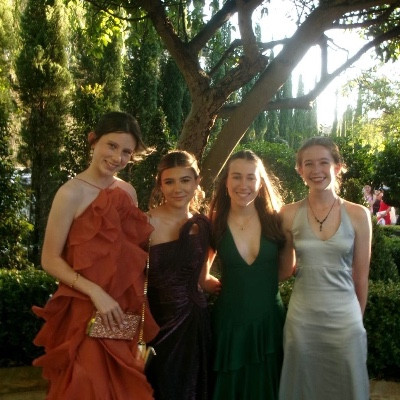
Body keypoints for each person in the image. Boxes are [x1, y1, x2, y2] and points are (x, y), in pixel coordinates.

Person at [32, 111, 159, 400]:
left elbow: (132, 259)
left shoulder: (128, 193)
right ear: (93, 140)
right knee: (87, 387)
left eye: (126, 151)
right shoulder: (70, 193)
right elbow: (49, 259)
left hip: (121, 313)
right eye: (111, 146)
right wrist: (96, 293)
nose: (117, 157)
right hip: (85, 311)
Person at [278, 136, 371, 400]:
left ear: (337, 167)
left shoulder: (359, 215)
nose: (316, 170)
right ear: (300, 169)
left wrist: (356, 320)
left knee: (347, 387)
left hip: (345, 320)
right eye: (308, 163)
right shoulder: (287, 214)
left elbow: (361, 277)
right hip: (302, 321)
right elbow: (284, 269)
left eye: (323, 162)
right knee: (302, 387)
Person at [208, 150, 286, 400]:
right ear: (226, 182)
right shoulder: (213, 223)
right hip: (229, 326)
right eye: (237, 176)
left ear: (260, 183)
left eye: (251, 177)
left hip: (270, 323)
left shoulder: (277, 221)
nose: (244, 184)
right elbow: (201, 275)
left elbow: (286, 270)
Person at [145, 150, 221, 400]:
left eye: (185, 180)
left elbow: (203, 277)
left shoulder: (204, 226)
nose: (178, 188)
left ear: (197, 181)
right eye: (169, 181)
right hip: (156, 325)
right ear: (160, 185)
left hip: (194, 325)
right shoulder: (144, 223)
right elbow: (129, 280)